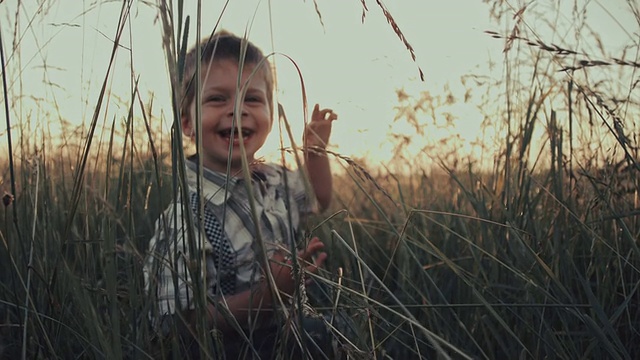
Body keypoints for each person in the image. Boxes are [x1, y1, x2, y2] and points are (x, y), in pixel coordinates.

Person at [144, 31, 338, 359]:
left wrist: (315, 155)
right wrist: (266, 297)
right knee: (316, 335)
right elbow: (179, 325)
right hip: (232, 347)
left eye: (252, 99)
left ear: (271, 115)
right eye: (217, 99)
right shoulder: (187, 217)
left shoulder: (274, 178)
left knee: (335, 332)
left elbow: (319, 200)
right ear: (187, 121)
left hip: (287, 325)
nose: (237, 110)